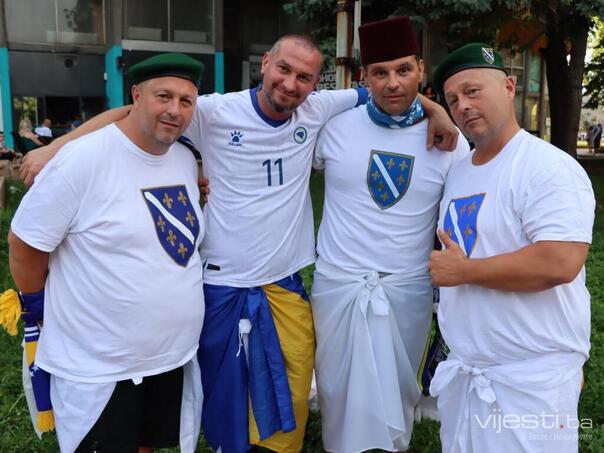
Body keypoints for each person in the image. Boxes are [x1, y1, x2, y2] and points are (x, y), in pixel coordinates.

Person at [18, 34, 459, 453]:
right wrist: (56, 147)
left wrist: (437, 110)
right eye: (283, 69)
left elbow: (387, 91)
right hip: (220, 287)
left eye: (304, 77)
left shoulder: (318, 108)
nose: (291, 84)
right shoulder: (213, 111)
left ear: (314, 84)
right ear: (265, 63)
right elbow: (128, 114)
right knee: (225, 400)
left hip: (284, 284)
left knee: (292, 390)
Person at [8, 53, 206, 453]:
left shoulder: (186, 158)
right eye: (163, 96)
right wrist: (37, 305)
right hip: (99, 368)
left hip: (170, 358)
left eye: (186, 101)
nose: (175, 109)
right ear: (135, 95)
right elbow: (26, 242)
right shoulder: (82, 160)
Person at [310, 17, 470, 453]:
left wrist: (436, 111)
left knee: (396, 392)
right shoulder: (335, 128)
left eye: (403, 70)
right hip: (338, 286)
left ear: (421, 69)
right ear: (365, 77)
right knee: (337, 391)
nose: (393, 82)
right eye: (380, 72)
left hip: (406, 289)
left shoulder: (449, 142)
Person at [428, 43, 595, 453]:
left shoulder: (547, 168)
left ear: (508, 87)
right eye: (452, 99)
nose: (462, 106)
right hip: (470, 375)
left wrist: (465, 272)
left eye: (472, 91)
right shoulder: (459, 172)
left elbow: (560, 261)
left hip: (529, 382)